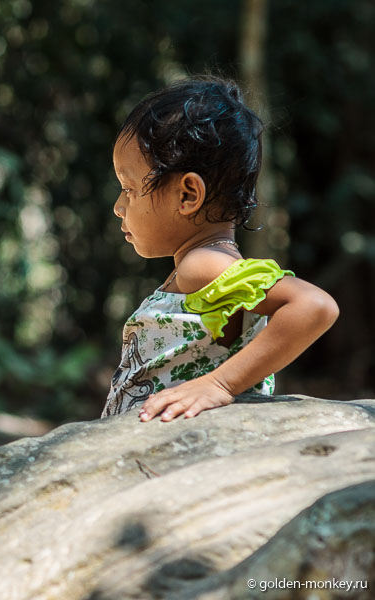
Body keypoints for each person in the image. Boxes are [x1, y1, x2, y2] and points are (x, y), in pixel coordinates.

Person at [103, 77, 339, 421]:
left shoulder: (203, 264)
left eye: (129, 189)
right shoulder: (202, 264)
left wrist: (219, 385)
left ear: (188, 195)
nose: (118, 206)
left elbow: (315, 306)